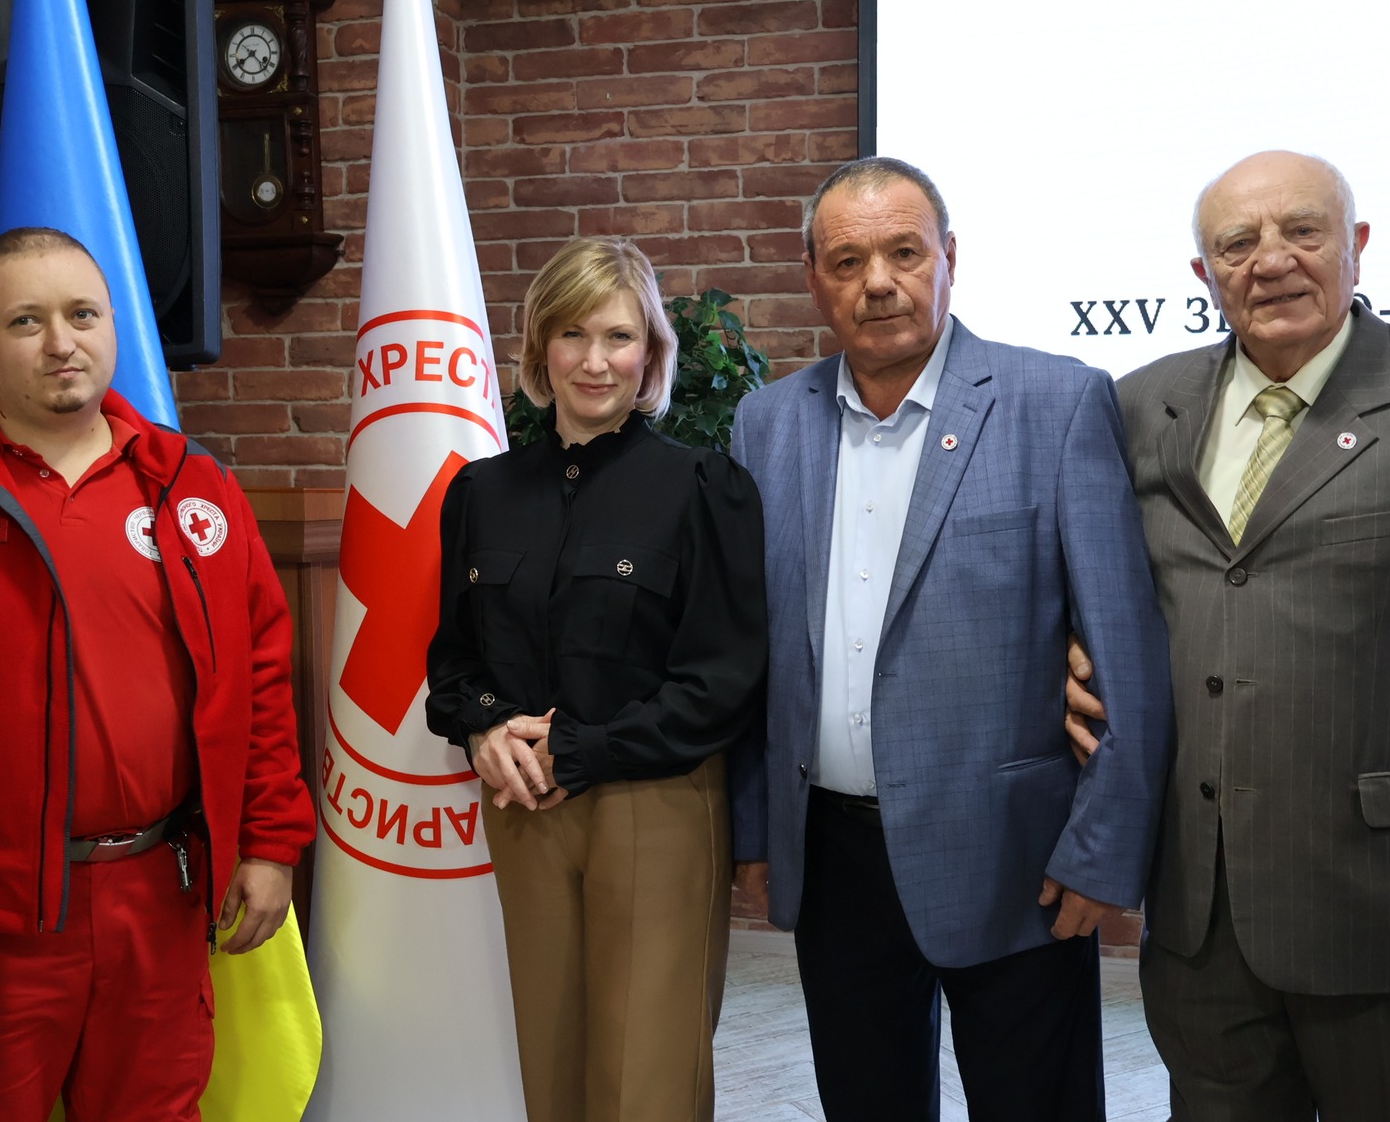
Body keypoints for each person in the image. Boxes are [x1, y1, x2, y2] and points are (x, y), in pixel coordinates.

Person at [1068, 150, 1390, 1120]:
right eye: (1237, 243)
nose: (1271, 260)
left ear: (1356, 245)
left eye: (1302, 231)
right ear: (1203, 273)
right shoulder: (1137, 407)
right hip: (1201, 918)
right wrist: (1068, 650)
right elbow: (1103, 587)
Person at [727, 156, 1174, 1122]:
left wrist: (1103, 850)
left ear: (949, 258)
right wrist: (758, 833)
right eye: (847, 262)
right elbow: (754, 651)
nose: (878, 282)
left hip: (1015, 857)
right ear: (814, 279)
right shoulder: (766, 425)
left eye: (904, 252)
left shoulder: (1055, 401)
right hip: (835, 859)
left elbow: (1124, 650)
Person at [0, 227, 314, 1121]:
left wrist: (269, 844)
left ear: (114, 326)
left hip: (164, 892)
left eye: (83, 315)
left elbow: (259, 675)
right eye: (26, 321)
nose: (61, 342)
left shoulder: (192, 484)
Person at [425, 237, 768, 1122]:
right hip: (524, 806)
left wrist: (583, 749)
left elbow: (723, 679)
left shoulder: (703, 486)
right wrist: (484, 725)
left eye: (619, 336)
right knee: (551, 1067)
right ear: (540, 347)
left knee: (644, 1079)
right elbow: (454, 658)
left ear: (651, 353)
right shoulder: (480, 493)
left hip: (656, 802)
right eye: (572, 334)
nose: (594, 360)